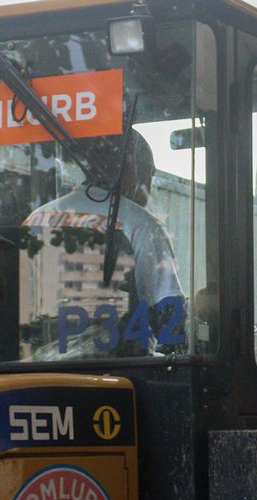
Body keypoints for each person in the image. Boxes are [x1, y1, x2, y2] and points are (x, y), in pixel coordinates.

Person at [24, 129, 185, 356]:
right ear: (130, 169)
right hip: (118, 375)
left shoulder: (37, 218)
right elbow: (169, 316)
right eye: (149, 173)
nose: (148, 186)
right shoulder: (140, 224)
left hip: (37, 369)